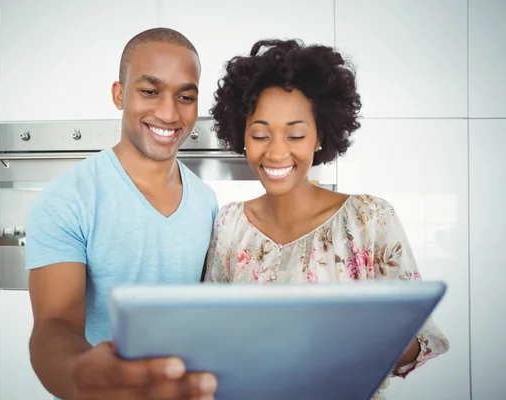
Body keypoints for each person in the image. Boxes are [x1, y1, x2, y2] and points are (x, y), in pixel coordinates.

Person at [204, 38, 450, 399]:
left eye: (296, 134)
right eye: (260, 134)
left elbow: (423, 341)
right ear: (242, 136)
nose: (275, 151)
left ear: (320, 136)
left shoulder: (369, 219)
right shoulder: (229, 225)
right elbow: (209, 336)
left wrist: (373, 337)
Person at [25, 27, 219, 400]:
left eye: (185, 96)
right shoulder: (67, 200)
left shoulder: (207, 201)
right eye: (149, 91)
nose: (168, 112)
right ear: (119, 94)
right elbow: (53, 328)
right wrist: (88, 379)